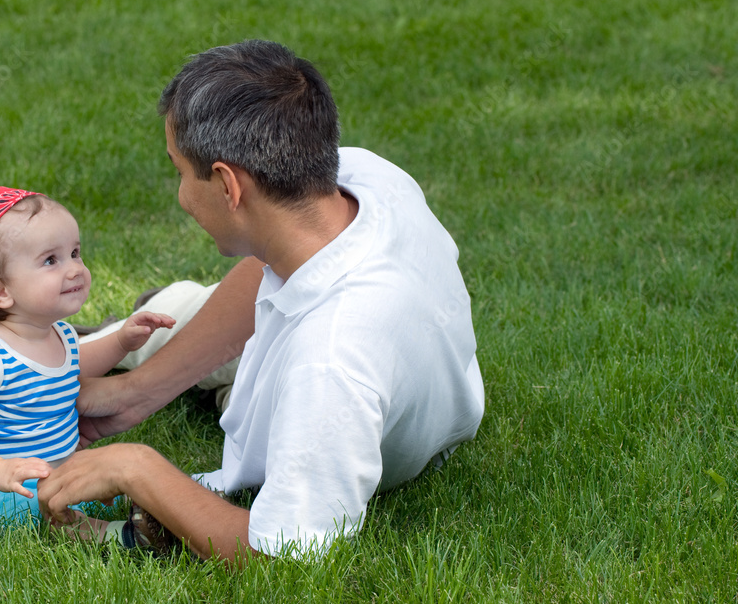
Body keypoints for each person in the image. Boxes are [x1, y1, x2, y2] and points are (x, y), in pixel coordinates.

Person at [38, 40, 485, 563]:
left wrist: (137, 468)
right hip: (410, 396)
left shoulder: (328, 362)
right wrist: (137, 394)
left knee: (212, 354)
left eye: (181, 173)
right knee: (179, 318)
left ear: (228, 185)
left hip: (338, 397)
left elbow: (282, 557)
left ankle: (155, 334)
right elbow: (267, 264)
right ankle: (142, 335)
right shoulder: (368, 179)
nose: (181, 197)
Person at [0, 186, 175, 543]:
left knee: (112, 481)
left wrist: (122, 341)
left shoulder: (60, 334)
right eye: (50, 261)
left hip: (62, 475)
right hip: (0, 493)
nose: (75, 269)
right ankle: (117, 537)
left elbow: (77, 364)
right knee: (47, 509)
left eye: (75, 253)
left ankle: (168, 500)